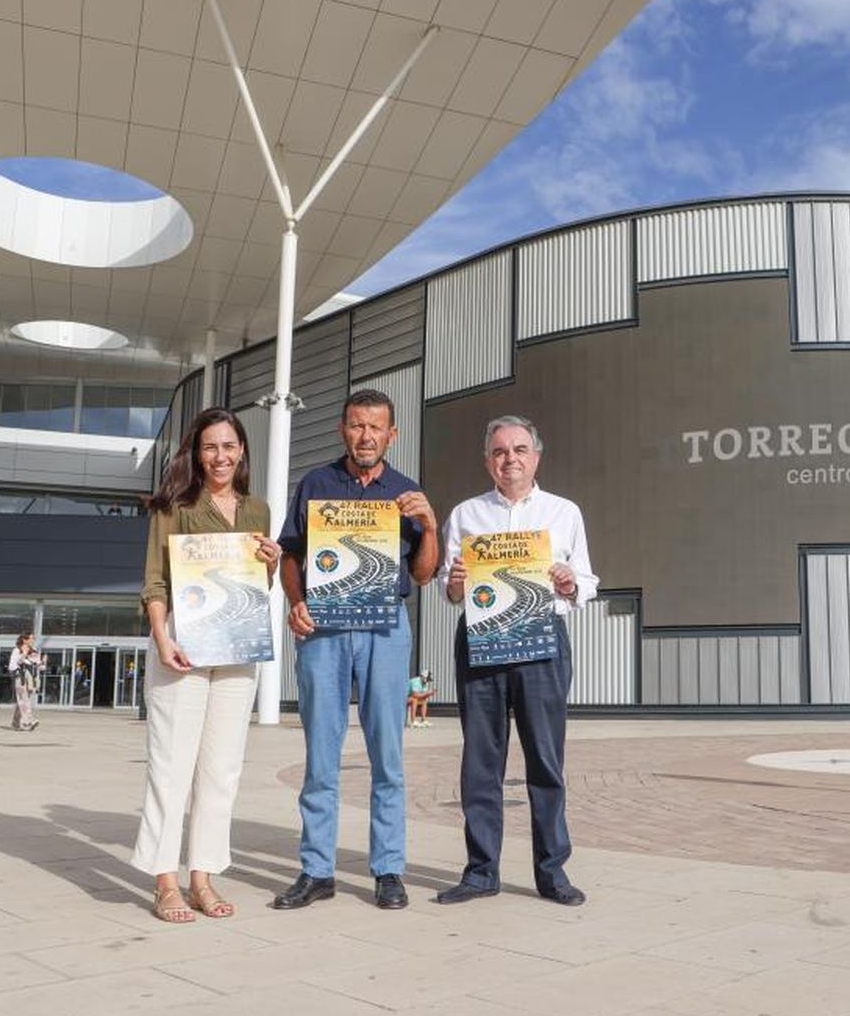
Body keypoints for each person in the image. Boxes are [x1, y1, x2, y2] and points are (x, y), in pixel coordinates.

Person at [273, 389, 439, 912]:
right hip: (324, 629)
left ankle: (388, 869)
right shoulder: (316, 484)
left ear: (392, 434)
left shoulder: (407, 491)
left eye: (375, 428)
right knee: (321, 755)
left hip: (386, 628)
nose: (365, 436)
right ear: (342, 429)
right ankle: (316, 870)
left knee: (387, 757)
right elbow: (291, 556)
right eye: (355, 425)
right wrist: (295, 602)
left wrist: (430, 525)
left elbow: (423, 573)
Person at [437, 415, 597, 907]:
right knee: (481, 763)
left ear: (536, 458)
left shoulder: (564, 512)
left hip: (542, 642)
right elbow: (450, 589)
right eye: (501, 451)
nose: (511, 459)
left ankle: (552, 873)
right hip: (483, 642)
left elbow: (587, 581)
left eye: (520, 450)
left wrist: (570, 582)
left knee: (546, 762)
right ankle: (481, 871)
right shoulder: (466, 514)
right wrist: (458, 581)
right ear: (487, 460)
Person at [130, 406, 282, 924]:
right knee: (171, 767)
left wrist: (273, 563)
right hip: (184, 646)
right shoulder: (174, 505)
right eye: (210, 446)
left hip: (236, 649)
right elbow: (155, 579)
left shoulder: (257, 510)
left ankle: (204, 876)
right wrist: (160, 635)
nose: (221, 456)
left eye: (229, 446)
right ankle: (165, 882)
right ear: (197, 452)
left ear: (242, 451)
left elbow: (254, 591)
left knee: (221, 770)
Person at [8, 633, 41, 731]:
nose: (33, 640)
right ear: (24, 640)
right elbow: (13, 665)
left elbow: (38, 665)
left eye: (33, 639)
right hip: (20, 678)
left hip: (30, 679)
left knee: (21, 701)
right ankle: (29, 721)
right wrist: (24, 654)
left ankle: (15, 723)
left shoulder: (33, 651)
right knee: (24, 700)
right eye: (31, 638)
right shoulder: (17, 650)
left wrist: (42, 663)